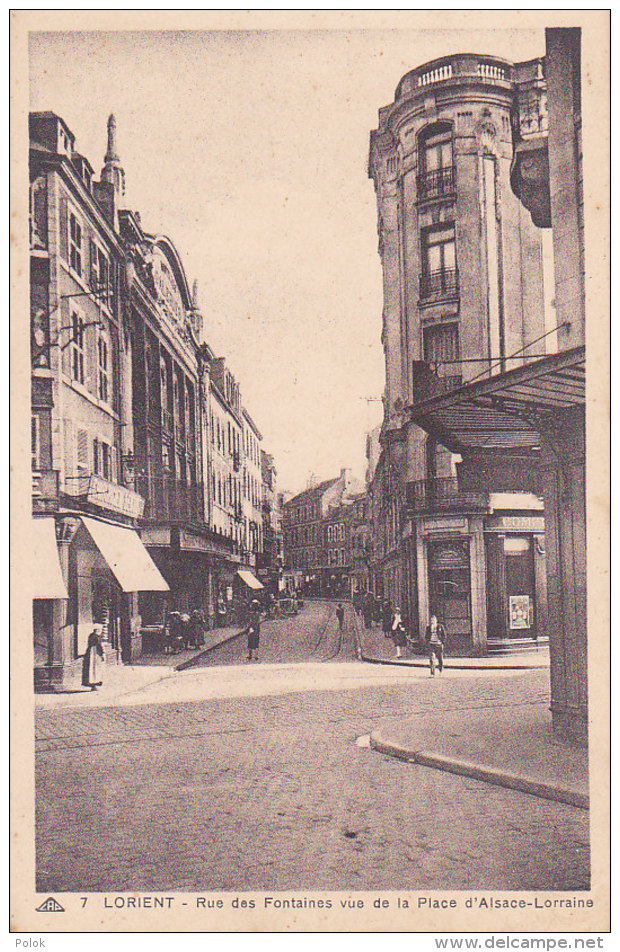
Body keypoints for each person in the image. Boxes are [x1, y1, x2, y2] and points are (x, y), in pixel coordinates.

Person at [82, 626, 105, 691]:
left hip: (90, 653)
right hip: (95, 654)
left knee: (91, 668)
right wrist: (102, 654)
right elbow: (99, 646)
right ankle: (95, 683)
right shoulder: (97, 637)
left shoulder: (91, 636)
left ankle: (92, 684)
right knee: (95, 668)